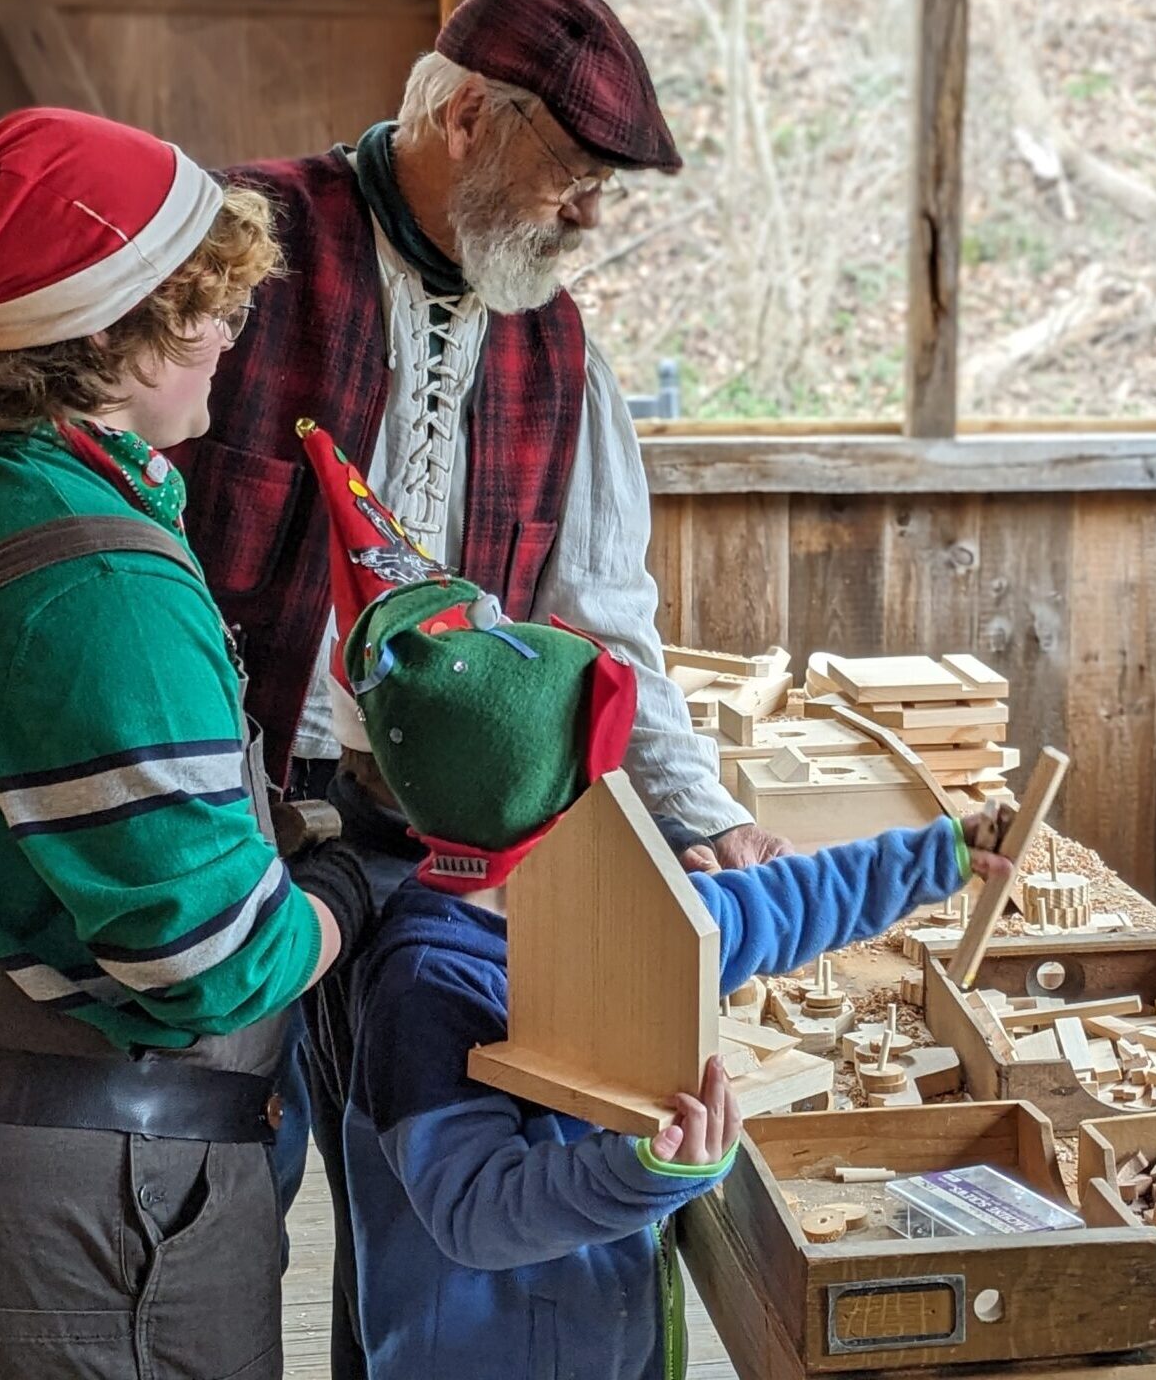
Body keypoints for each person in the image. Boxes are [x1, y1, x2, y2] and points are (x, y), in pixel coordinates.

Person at [174, 0, 791, 1369]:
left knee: (420, 1216)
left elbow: (603, 621)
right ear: (466, 116)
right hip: (223, 833)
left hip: (444, 862)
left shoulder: (554, 340)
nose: (590, 222)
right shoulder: (233, 246)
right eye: (575, 181)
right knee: (222, 1196)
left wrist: (696, 814)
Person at [0, 107, 371, 1380]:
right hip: (95, 1217)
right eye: (199, 309)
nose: (230, 332)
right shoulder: (93, 585)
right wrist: (351, 883)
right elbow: (209, 965)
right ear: (102, 335)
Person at [307, 455, 1013, 1380]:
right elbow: (474, 1209)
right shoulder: (429, 984)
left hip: (606, 1334)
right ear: (555, 801)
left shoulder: (610, 907)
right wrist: (643, 1173)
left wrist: (941, 856)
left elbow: (776, 904)